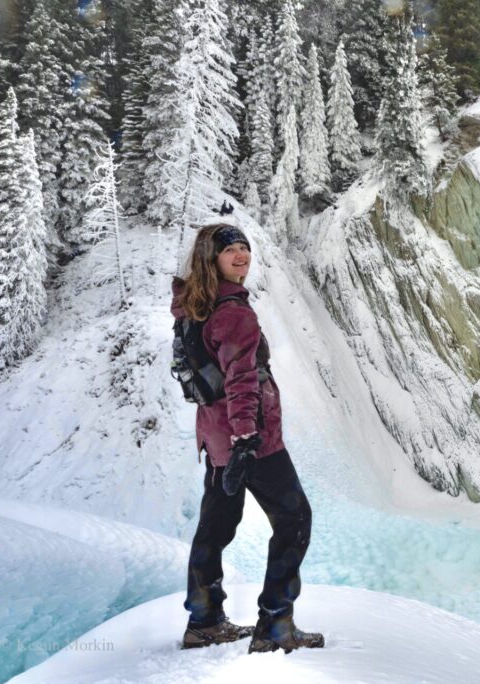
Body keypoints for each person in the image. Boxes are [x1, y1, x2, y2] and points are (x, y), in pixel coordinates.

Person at [171, 222, 324, 654]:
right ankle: (276, 625)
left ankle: (204, 621)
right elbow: (242, 380)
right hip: (251, 440)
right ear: (211, 259)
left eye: (244, 248)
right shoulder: (234, 312)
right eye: (230, 250)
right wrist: (246, 440)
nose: (241, 256)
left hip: (216, 436)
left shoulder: (192, 306)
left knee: (214, 527)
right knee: (295, 521)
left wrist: (230, 441)